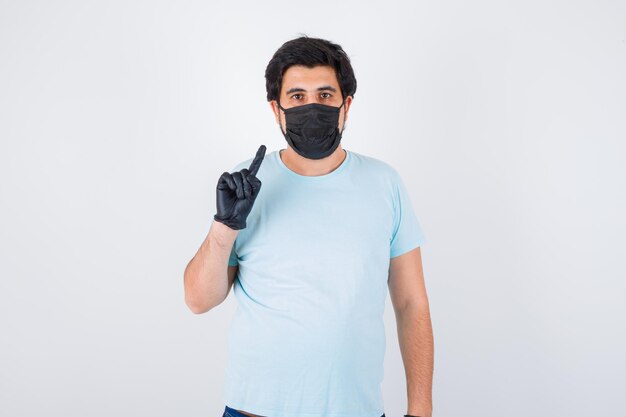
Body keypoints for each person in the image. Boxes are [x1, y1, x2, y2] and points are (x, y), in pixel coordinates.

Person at [184, 35, 433, 417]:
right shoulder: (245, 184)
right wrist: (225, 226)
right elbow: (198, 300)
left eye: (325, 95)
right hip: (254, 411)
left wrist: (421, 409)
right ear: (276, 109)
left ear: (346, 105)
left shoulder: (385, 184)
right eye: (297, 96)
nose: (312, 107)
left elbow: (411, 302)